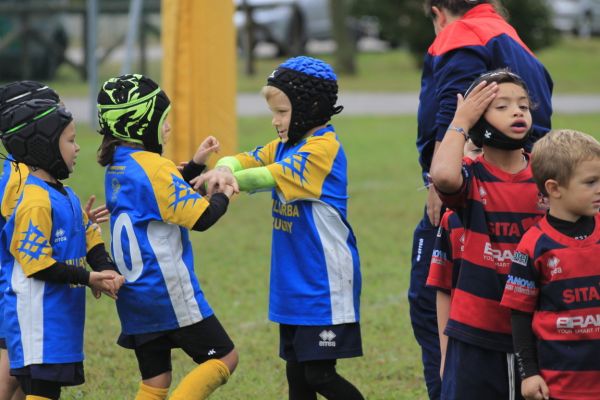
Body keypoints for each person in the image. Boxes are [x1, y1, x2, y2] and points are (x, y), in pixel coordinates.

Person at [193, 56, 364, 400]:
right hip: (292, 283)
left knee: (319, 374)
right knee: (297, 373)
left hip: (323, 284)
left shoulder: (322, 149)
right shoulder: (285, 145)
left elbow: (264, 176)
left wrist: (228, 178)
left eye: (282, 112)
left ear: (309, 107)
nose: (275, 121)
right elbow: (242, 159)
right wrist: (224, 168)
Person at [412, 1, 553, 397]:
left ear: (438, 11)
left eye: (520, 106)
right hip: (523, 185)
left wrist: (440, 180)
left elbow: (455, 104)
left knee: (433, 300)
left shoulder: (459, 32)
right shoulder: (516, 41)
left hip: (480, 193)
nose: (517, 111)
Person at [96, 74, 238, 400]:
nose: (168, 128)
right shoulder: (155, 169)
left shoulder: (118, 167)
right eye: (162, 120)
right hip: (165, 292)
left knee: (155, 382)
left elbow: (156, 195)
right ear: (140, 124)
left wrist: (195, 165)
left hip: (135, 295)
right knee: (225, 358)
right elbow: (202, 218)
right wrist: (224, 194)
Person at [429, 69, 548, 399]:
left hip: (537, 335)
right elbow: (443, 176)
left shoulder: (547, 176)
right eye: (502, 106)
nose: (517, 111)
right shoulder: (471, 180)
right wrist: (461, 120)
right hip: (475, 338)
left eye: (523, 105)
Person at [0, 98, 124, 400]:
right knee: (41, 389)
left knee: (41, 389)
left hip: (57, 316)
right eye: (70, 140)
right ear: (44, 146)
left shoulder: (66, 194)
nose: (78, 147)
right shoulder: (34, 200)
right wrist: (88, 278)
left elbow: (90, 235)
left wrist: (105, 267)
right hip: (35, 318)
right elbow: (37, 264)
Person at [501, 130, 600, 400]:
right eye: (590, 182)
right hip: (559, 386)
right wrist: (529, 373)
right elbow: (519, 316)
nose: (599, 189)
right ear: (554, 188)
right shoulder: (533, 246)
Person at [425, 140, 481, 378]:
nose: (481, 157)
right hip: (469, 344)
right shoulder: (452, 221)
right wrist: (446, 353)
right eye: (475, 150)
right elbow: (444, 289)